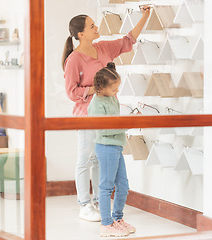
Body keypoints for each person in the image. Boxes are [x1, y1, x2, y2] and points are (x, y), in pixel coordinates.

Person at [62, 7, 151, 222]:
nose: (96, 27)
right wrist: (96, 89)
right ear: (81, 34)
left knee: (99, 160)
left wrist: (145, 17)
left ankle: (99, 201)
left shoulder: (102, 48)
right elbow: (71, 92)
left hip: (108, 115)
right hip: (87, 116)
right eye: (92, 26)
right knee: (86, 159)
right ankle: (85, 204)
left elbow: (127, 41)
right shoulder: (74, 60)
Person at [88, 62, 132, 237]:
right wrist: (126, 124)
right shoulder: (97, 103)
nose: (117, 92)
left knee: (123, 186)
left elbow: (115, 122)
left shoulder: (112, 98)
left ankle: (117, 219)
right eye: (114, 89)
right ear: (101, 88)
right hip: (105, 147)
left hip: (116, 146)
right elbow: (104, 128)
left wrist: (125, 123)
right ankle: (106, 224)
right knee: (106, 187)